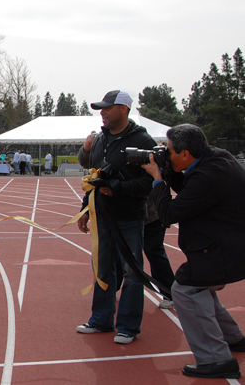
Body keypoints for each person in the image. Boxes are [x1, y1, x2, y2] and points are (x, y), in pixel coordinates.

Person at [143, 124, 245, 379]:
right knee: (200, 288)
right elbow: (188, 187)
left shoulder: (210, 175)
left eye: (169, 151)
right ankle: (233, 339)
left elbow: (169, 214)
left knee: (184, 290)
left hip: (224, 250)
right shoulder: (216, 158)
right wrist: (168, 168)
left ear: (186, 154)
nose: (165, 154)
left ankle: (216, 360)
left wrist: (157, 178)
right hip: (227, 244)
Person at [76, 90, 155, 344]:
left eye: (107, 108)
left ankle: (128, 327)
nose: (103, 112)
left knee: (132, 271)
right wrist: (85, 208)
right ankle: (100, 320)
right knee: (102, 267)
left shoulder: (143, 141)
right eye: (101, 108)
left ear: (124, 109)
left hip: (129, 217)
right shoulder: (99, 140)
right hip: (101, 216)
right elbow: (92, 178)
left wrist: (119, 188)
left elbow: (150, 182)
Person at [143, 196, 175, 309]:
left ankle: (170, 293)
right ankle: (110, 288)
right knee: (119, 252)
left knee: (155, 253)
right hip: (127, 215)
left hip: (153, 216)